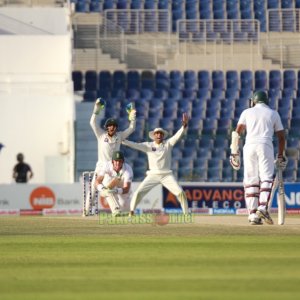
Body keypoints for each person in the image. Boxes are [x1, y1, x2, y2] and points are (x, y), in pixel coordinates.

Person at [230, 91, 287, 225]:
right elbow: (281, 137)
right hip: (265, 145)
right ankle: (262, 207)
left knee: (251, 180)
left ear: (254, 101)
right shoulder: (273, 113)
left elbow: (236, 133)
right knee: (266, 178)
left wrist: (234, 151)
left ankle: (252, 215)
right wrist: (280, 155)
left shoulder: (246, 112)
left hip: (249, 147)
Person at [122, 113, 190, 216]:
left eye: (160, 134)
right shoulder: (148, 145)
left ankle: (186, 214)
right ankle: (131, 212)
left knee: (180, 193)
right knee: (138, 193)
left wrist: (184, 126)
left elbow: (177, 136)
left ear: (163, 136)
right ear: (154, 135)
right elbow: (135, 145)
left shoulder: (168, 144)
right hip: (152, 175)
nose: (158, 135)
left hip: (166, 175)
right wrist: (123, 141)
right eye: (157, 133)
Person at [84, 98, 136, 215]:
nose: (111, 128)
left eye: (113, 126)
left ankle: (118, 210)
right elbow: (92, 123)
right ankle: (86, 211)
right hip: (101, 165)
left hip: (114, 167)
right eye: (109, 126)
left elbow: (132, 129)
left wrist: (132, 118)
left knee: (108, 189)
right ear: (106, 127)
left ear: (116, 128)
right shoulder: (101, 135)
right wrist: (96, 110)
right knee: (93, 188)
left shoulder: (120, 136)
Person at [95, 151, 133, 216]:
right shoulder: (107, 165)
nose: (118, 163)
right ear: (112, 161)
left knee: (125, 208)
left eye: (120, 161)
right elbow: (98, 180)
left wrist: (116, 191)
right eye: (116, 161)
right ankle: (116, 210)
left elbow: (126, 188)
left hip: (121, 185)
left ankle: (125, 210)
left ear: (123, 162)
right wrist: (102, 188)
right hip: (108, 183)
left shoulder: (128, 169)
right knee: (108, 190)